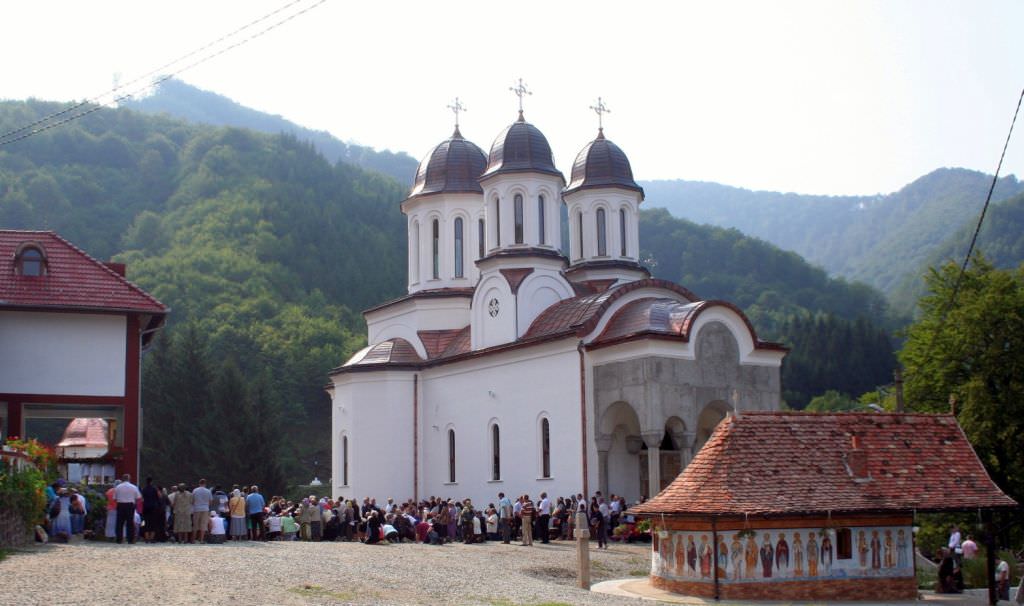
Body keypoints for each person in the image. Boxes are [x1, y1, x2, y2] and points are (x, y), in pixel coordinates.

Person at [113, 474, 142, 544]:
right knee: (130, 523)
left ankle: (119, 539)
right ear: (129, 479)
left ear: (122, 479)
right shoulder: (133, 487)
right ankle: (130, 539)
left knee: (119, 523)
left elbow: (114, 498)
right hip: (130, 505)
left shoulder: (118, 487)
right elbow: (138, 497)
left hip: (120, 505)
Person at [191, 478, 212, 544]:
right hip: (205, 509)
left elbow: (192, 500)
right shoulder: (208, 491)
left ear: (199, 483)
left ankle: (193, 540)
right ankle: (201, 540)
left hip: (197, 508)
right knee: (203, 525)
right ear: (205, 484)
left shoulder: (195, 490)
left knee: (195, 525)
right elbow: (210, 501)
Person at [141, 477, 162, 543]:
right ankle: (152, 538)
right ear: (151, 481)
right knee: (153, 523)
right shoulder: (155, 489)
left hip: (146, 507)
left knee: (146, 522)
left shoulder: (144, 489)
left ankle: (147, 538)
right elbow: (160, 496)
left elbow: (141, 498)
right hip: (153, 507)